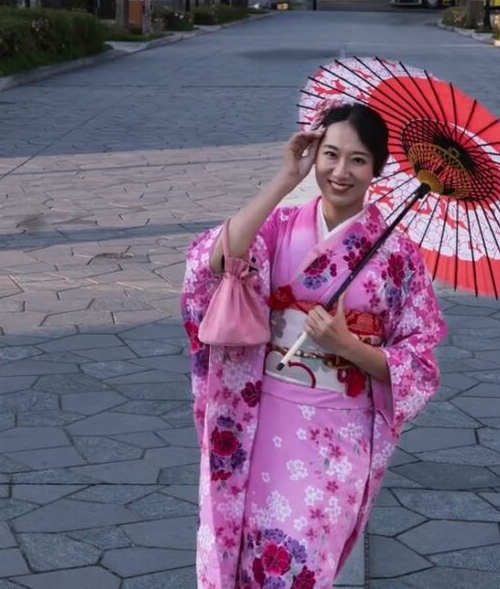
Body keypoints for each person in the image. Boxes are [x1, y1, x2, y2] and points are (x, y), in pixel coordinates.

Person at [181, 103, 447, 589]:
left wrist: (347, 345)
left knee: (300, 565)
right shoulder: (279, 226)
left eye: (358, 160)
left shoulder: (400, 257)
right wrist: (286, 179)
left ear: (377, 168)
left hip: (337, 435)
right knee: (240, 553)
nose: (341, 172)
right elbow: (215, 261)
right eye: (330, 155)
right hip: (261, 417)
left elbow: (420, 367)